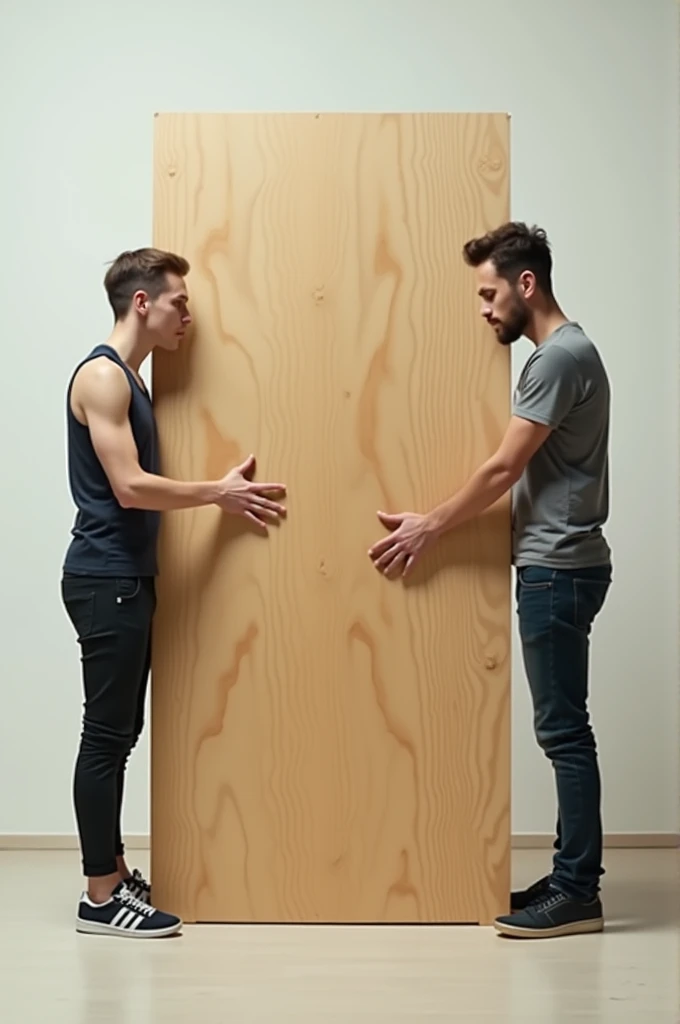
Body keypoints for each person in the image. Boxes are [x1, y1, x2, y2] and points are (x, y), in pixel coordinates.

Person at [368, 222, 612, 940]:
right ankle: (573, 874)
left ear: (524, 285)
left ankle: (576, 892)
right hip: (565, 564)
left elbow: (503, 469)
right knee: (567, 730)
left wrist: (429, 526)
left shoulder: (556, 360)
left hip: (556, 569)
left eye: (488, 292)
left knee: (565, 734)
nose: (483, 309)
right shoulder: (569, 353)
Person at [61, 248, 287, 938]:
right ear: (141, 303)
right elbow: (129, 488)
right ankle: (100, 898)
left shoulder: (131, 379)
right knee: (104, 739)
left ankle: (115, 873)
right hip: (107, 579)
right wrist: (217, 493)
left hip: (126, 578)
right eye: (178, 302)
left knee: (119, 736)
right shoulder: (103, 377)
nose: (186, 314)